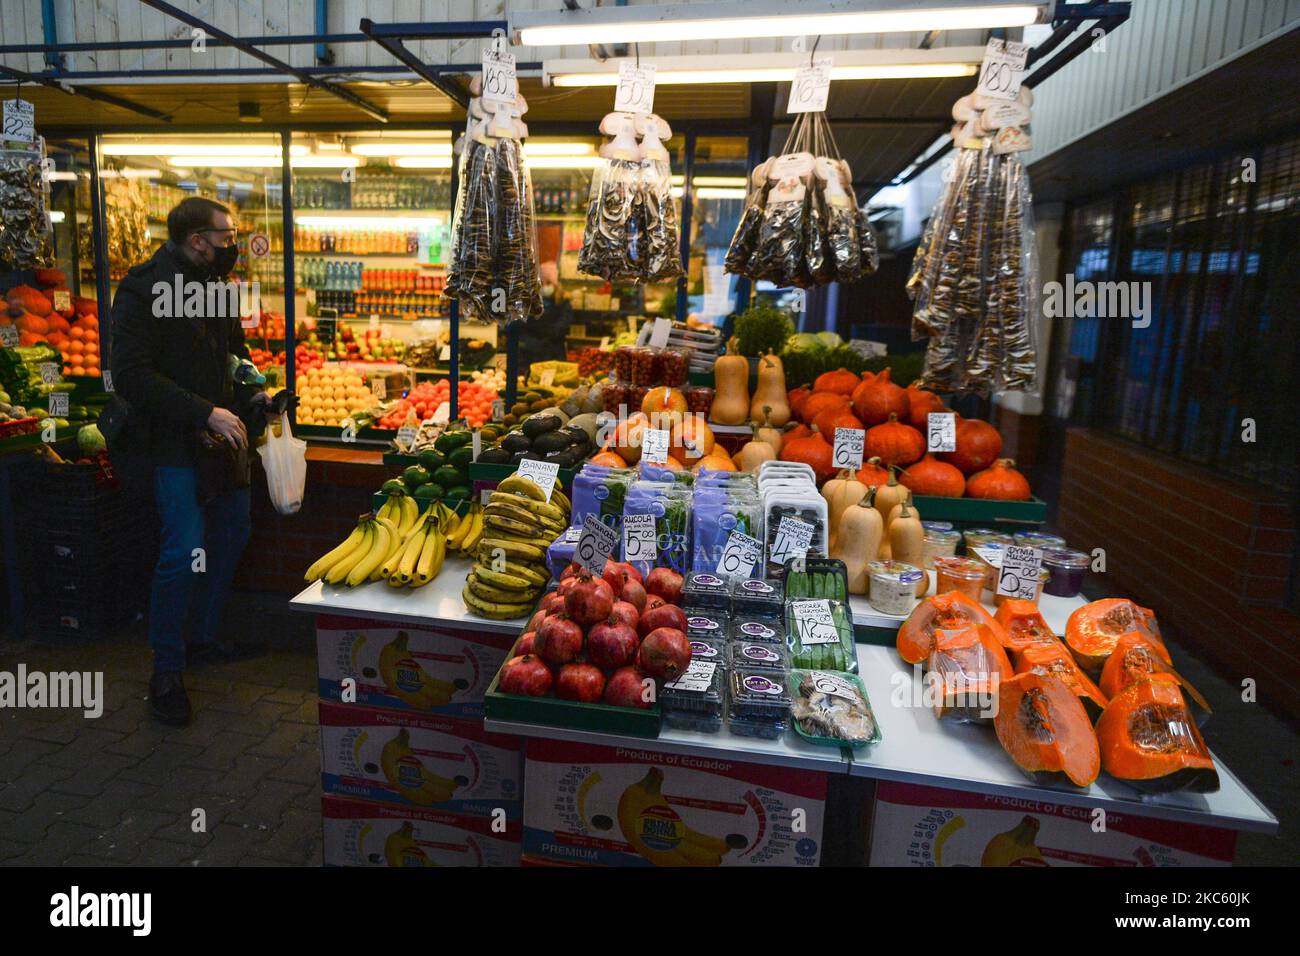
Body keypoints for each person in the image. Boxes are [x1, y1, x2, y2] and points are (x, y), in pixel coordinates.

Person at [109, 197, 276, 726]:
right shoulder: (141, 288)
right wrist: (205, 412)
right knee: (183, 549)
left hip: (221, 441)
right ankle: (167, 668)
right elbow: (132, 376)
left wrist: (256, 396)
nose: (233, 247)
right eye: (227, 238)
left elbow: (235, 357)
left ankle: (201, 637)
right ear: (197, 240)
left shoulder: (220, 291)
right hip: (169, 442)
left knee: (232, 532)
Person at [515, 261, 574, 370]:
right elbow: (521, 326)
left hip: (554, 355)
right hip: (530, 356)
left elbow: (560, 328)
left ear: (556, 283)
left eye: (548, 283)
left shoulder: (564, 303)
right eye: (542, 283)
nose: (545, 287)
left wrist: (540, 335)